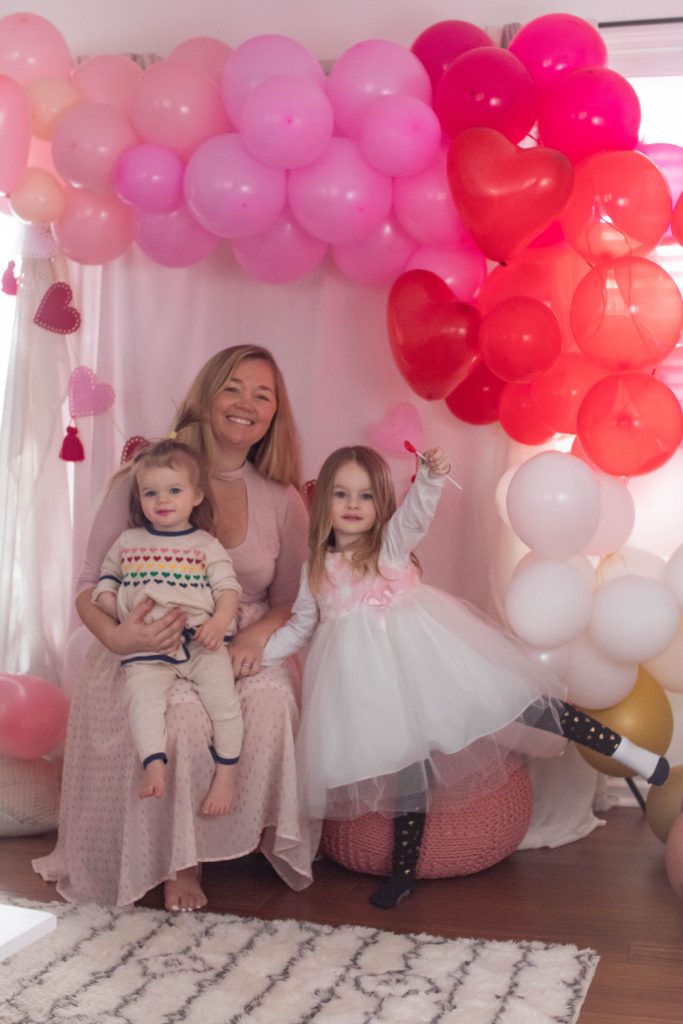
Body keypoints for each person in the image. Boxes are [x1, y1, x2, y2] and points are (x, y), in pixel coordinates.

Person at [262, 445, 670, 909]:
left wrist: (430, 479)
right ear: (323, 505)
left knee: (527, 704)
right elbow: (298, 627)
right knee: (408, 777)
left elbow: (414, 519)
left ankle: (628, 749)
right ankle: (403, 873)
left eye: (366, 496)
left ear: (381, 506)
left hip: (432, 664)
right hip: (374, 692)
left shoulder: (389, 550)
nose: (353, 506)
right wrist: (261, 657)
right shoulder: (315, 570)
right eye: (341, 494)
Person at [34, 345, 317, 911]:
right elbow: (90, 583)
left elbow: (291, 599)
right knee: (178, 720)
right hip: (145, 638)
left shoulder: (282, 498)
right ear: (207, 396)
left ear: (274, 415)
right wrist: (117, 637)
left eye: (263, 395)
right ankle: (177, 862)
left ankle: (244, 834)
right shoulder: (148, 478)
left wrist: (255, 638)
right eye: (233, 387)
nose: (246, 404)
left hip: (237, 637)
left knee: (267, 707)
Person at [92, 439, 243, 815]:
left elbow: (228, 590)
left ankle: (227, 775)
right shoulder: (128, 541)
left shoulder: (206, 545)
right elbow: (103, 583)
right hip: (146, 646)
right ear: (140, 498)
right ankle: (154, 765)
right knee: (142, 701)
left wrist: (219, 621)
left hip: (200, 642)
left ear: (196, 496)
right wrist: (119, 614)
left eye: (174, 490)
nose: (162, 500)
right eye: (151, 492)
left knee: (224, 705)